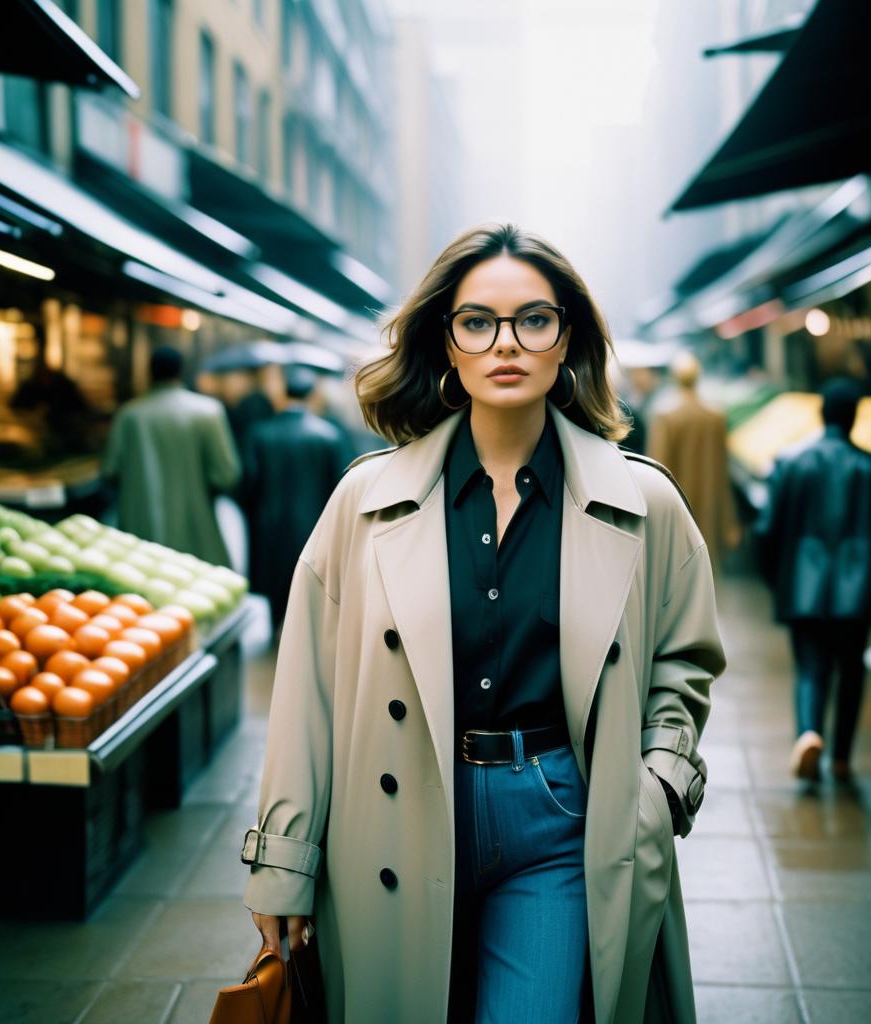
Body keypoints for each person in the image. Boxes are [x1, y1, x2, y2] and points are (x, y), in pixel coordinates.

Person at [241, 224, 726, 1023]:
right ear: (447, 341)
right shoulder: (362, 503)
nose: (507, 343)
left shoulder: (645, 502)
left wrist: (657, 786)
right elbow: (308, 697)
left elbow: (686, 659)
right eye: (478, 322)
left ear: (567, 337)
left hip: (560, 823)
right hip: (393, 813)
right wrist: (284, 862)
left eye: (534, 319)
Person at [754, 378, 871, 782]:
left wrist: (777, 579)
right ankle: (842, 756)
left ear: (821, 412)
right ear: (855, 416)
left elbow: (766, 529)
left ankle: (809, 733)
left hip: (802, 588)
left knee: (810, 667)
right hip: (858, 591)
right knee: (851, 669)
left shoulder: (789, 463)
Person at [102, 345, 240, 566]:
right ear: (181, 370)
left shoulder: (129, 414)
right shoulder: (208, 411)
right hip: (197, 534)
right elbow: (226, 475)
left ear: (150, 372)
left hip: (140, 537)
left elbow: (110, 470)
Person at [241, 366, 354, 628]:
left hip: (267, 525)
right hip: (314, 523)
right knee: (309, 583)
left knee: (272, 581)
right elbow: (342, 486)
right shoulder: (328, 435)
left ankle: (275, 628)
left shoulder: (259, 433)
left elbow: (248, 483)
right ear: (312, 395)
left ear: (284, 393)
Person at [646, 352, 740, 568]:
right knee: (707, 568)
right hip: (709, 505)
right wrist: (729, 521)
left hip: (677, 507)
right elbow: (724, 471)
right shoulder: (715, 417)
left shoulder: (665, 417)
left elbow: (656, 470)